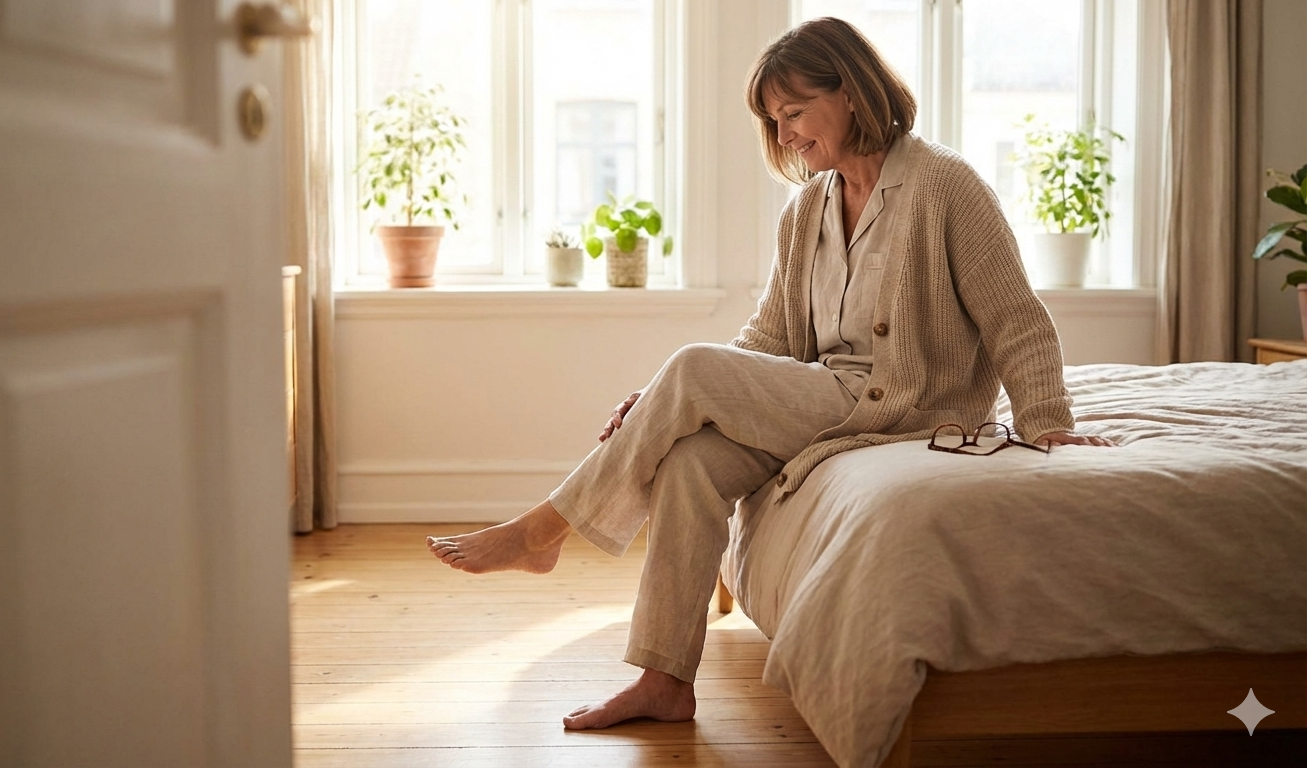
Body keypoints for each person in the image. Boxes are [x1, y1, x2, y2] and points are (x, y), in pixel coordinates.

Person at [427, 16, 1113, 730]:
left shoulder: (946, 186)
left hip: (912, 409)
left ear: (850, 92)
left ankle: (545, 530)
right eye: (773, 120)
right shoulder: (806, 210)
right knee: (690, 461)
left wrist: (1050, 424)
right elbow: (771, 337)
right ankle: (664, 679)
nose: (784, 136)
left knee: (692, 370)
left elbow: (1015, 317)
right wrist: (665, 402)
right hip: (833, 404)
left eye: (793, 113)